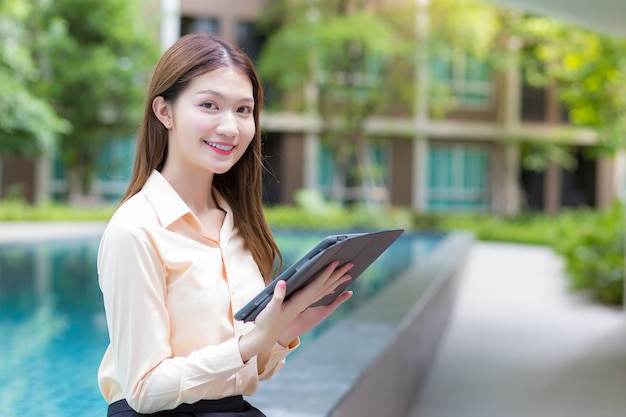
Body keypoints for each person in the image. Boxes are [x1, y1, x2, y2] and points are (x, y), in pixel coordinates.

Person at [97, 33, 354, 417]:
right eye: (209, 105)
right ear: (164, 112)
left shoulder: (238, 224)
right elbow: (144, 389)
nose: (230, 128)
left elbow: (242, 371)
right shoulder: (135, 230)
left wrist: (284, 332)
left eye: (243, 110)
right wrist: (250, 344)